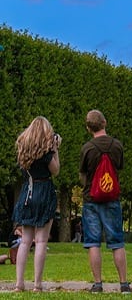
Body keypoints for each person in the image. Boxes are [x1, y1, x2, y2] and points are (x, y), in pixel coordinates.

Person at [80, 109, 130, 294]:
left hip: (91, 199)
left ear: (88, 128)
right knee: (117, 241)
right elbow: (119, 170)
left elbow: (83, 175)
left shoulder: (87, 148)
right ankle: (124, 284)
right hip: (112, 198)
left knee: (93, 242)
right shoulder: (117, 146)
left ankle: (98, 284)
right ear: (105, 122)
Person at [14, 117, 61, 293]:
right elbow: (55, 171)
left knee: (25, 242)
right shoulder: (46, 152)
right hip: (44, 192)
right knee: (41, 241)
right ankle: (37, 284)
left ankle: (19, 284)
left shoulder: (23, 150)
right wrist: (55, 149)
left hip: (28, 192)